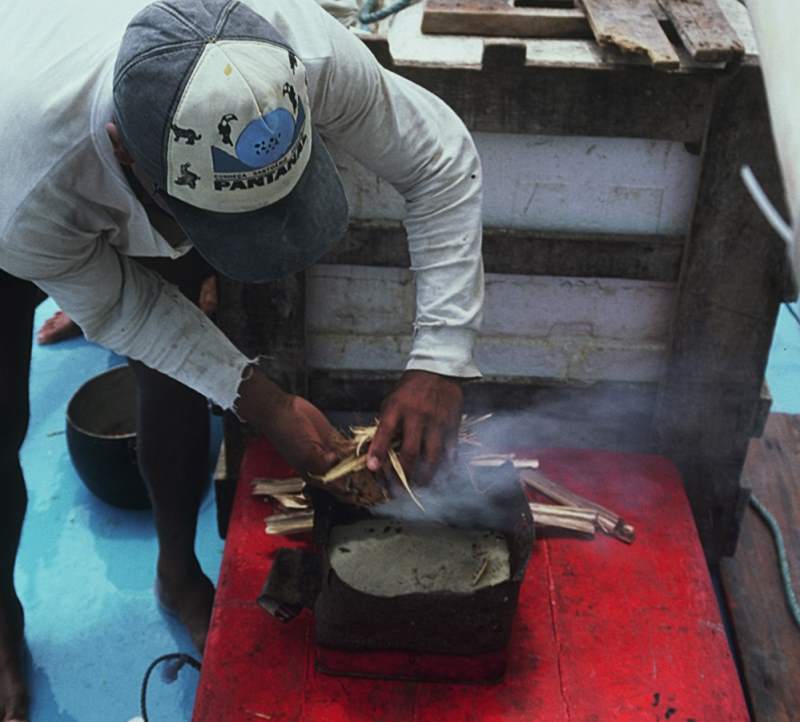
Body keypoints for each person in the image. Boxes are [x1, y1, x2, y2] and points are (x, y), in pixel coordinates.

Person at [0, 0, 484, 718]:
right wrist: (263, 401)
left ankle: (175, 569)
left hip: (123, 156)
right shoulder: (27, 189)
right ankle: (2, 621)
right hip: (26, 171)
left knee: (172, 370)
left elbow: (438, 156)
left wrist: (440, 359)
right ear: (129, 156)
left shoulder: (298, 48)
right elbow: (120, 310)